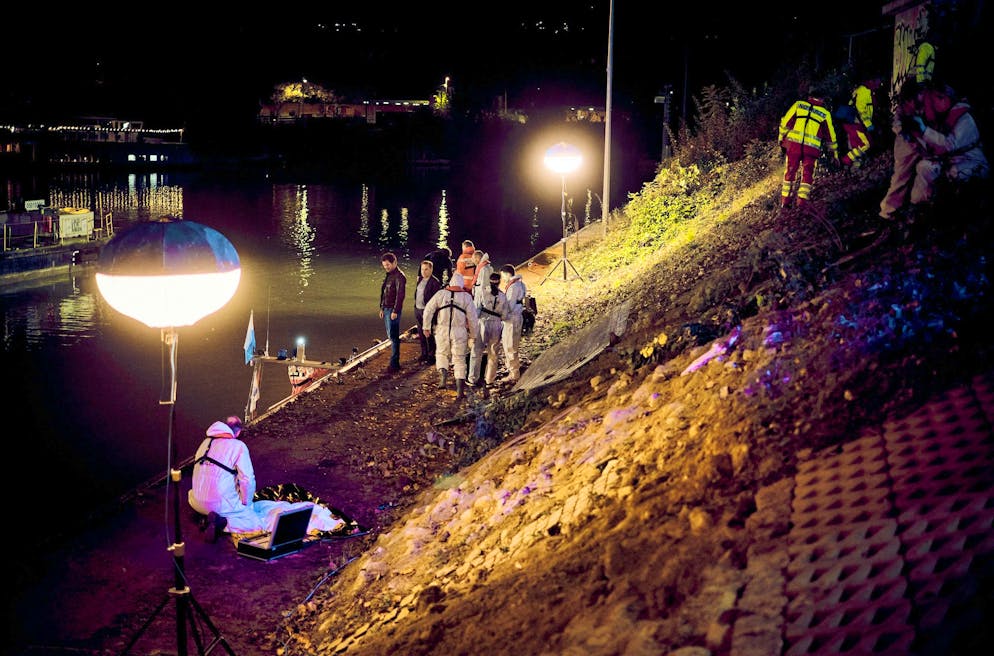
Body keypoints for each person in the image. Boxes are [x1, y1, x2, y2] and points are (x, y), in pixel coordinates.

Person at [901, 82, 989, 206]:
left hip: (971, 162)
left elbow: (948, 145)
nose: (932, 104)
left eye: (935, 99)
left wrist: (924, 130)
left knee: (953, 175)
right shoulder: (944, 117)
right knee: (924, 167)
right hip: (951, 162)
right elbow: (934, 147)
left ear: (945, 98)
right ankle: (917, 205)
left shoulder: (965, 118)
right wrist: (917, 136)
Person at [189, 417, 258, 543]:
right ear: (238, 432)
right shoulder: (238, 446)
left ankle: (205, 518)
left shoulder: (204, 443)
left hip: (195, 502)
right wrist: (246, 503)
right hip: (220, 505)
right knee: (254, 520)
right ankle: (220, 523)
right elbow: (247, 479)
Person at [778, 90, 839, 208]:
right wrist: (834, 153)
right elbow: (831, 136)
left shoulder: (798, 105)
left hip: (793, 146)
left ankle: (785, 203)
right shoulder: (825, 114)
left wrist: (781, 139)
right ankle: (801, 203)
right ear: (822, 99)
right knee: (807, 174)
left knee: (790, 172)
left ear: (809, 97)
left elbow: (785, 123)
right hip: (811, 149)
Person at [422, 272, 479, 400]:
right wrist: (473, 335)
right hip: (459, 332)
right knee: (459, 359)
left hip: (442, 330)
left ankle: (443, 378)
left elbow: (428, 310)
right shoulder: (466, 297)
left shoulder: (441, 294)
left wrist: (426, 327)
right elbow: (473, 318)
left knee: (441, 354)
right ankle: (460, 391)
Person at [879, 80, 927, 221]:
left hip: (919, 142)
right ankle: (887, 211)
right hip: (906, 146)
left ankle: (915, 206)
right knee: (901, 177)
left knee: (922, 172)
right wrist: (909, 137)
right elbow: (897, 125)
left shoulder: (922, 104)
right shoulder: (904, 109)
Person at [472, 270, 510, 387]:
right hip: (496, 325)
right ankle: (489, 380)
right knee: (493, 353)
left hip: (483, 322)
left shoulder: (482, 292)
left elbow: (476, 310)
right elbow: (505, 315)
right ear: (499, 282)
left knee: (477, 351)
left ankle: (473, 378)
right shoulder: (503, 296)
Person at [378, 252, 406, 373]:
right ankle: (394, 362)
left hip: (392, 310)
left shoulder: (400, 276)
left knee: (394, 337)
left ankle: (394, 364)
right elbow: (384, 293)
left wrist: (395, 310)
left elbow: (400, 295)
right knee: (391, 335)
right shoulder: (389, 275)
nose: (386, 267)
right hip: (386, 309)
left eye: (388, 265)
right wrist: (381, 308)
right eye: (384, 265)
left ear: (394, 263)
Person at [500, 264, 527, 383]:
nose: (502, 278)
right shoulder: (521, 284)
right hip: (518, 316)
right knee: (513, 346)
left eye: (503, 275)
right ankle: (514, 370)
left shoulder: (513, 287)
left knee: (509, 346)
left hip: (511, 320)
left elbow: (509, 306)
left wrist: (500, 314)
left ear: (507, 274)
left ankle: (514, 373)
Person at [414, 259, 442, 365]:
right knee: (421, 333)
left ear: (431, 270)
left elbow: (436, 300)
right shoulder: (420, 280)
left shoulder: (435, 282)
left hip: (427, 311)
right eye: (422, 269)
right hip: (418, 309)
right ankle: (424, 353)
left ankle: (431, 355)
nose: (423, 272)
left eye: (426, 269)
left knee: (428, 333)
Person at [834, 105, 872, 169]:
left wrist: (848, 158)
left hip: (858, 156)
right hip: (855, 156)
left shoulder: (853, 128)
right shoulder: (850, 127)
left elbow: (866, 145)